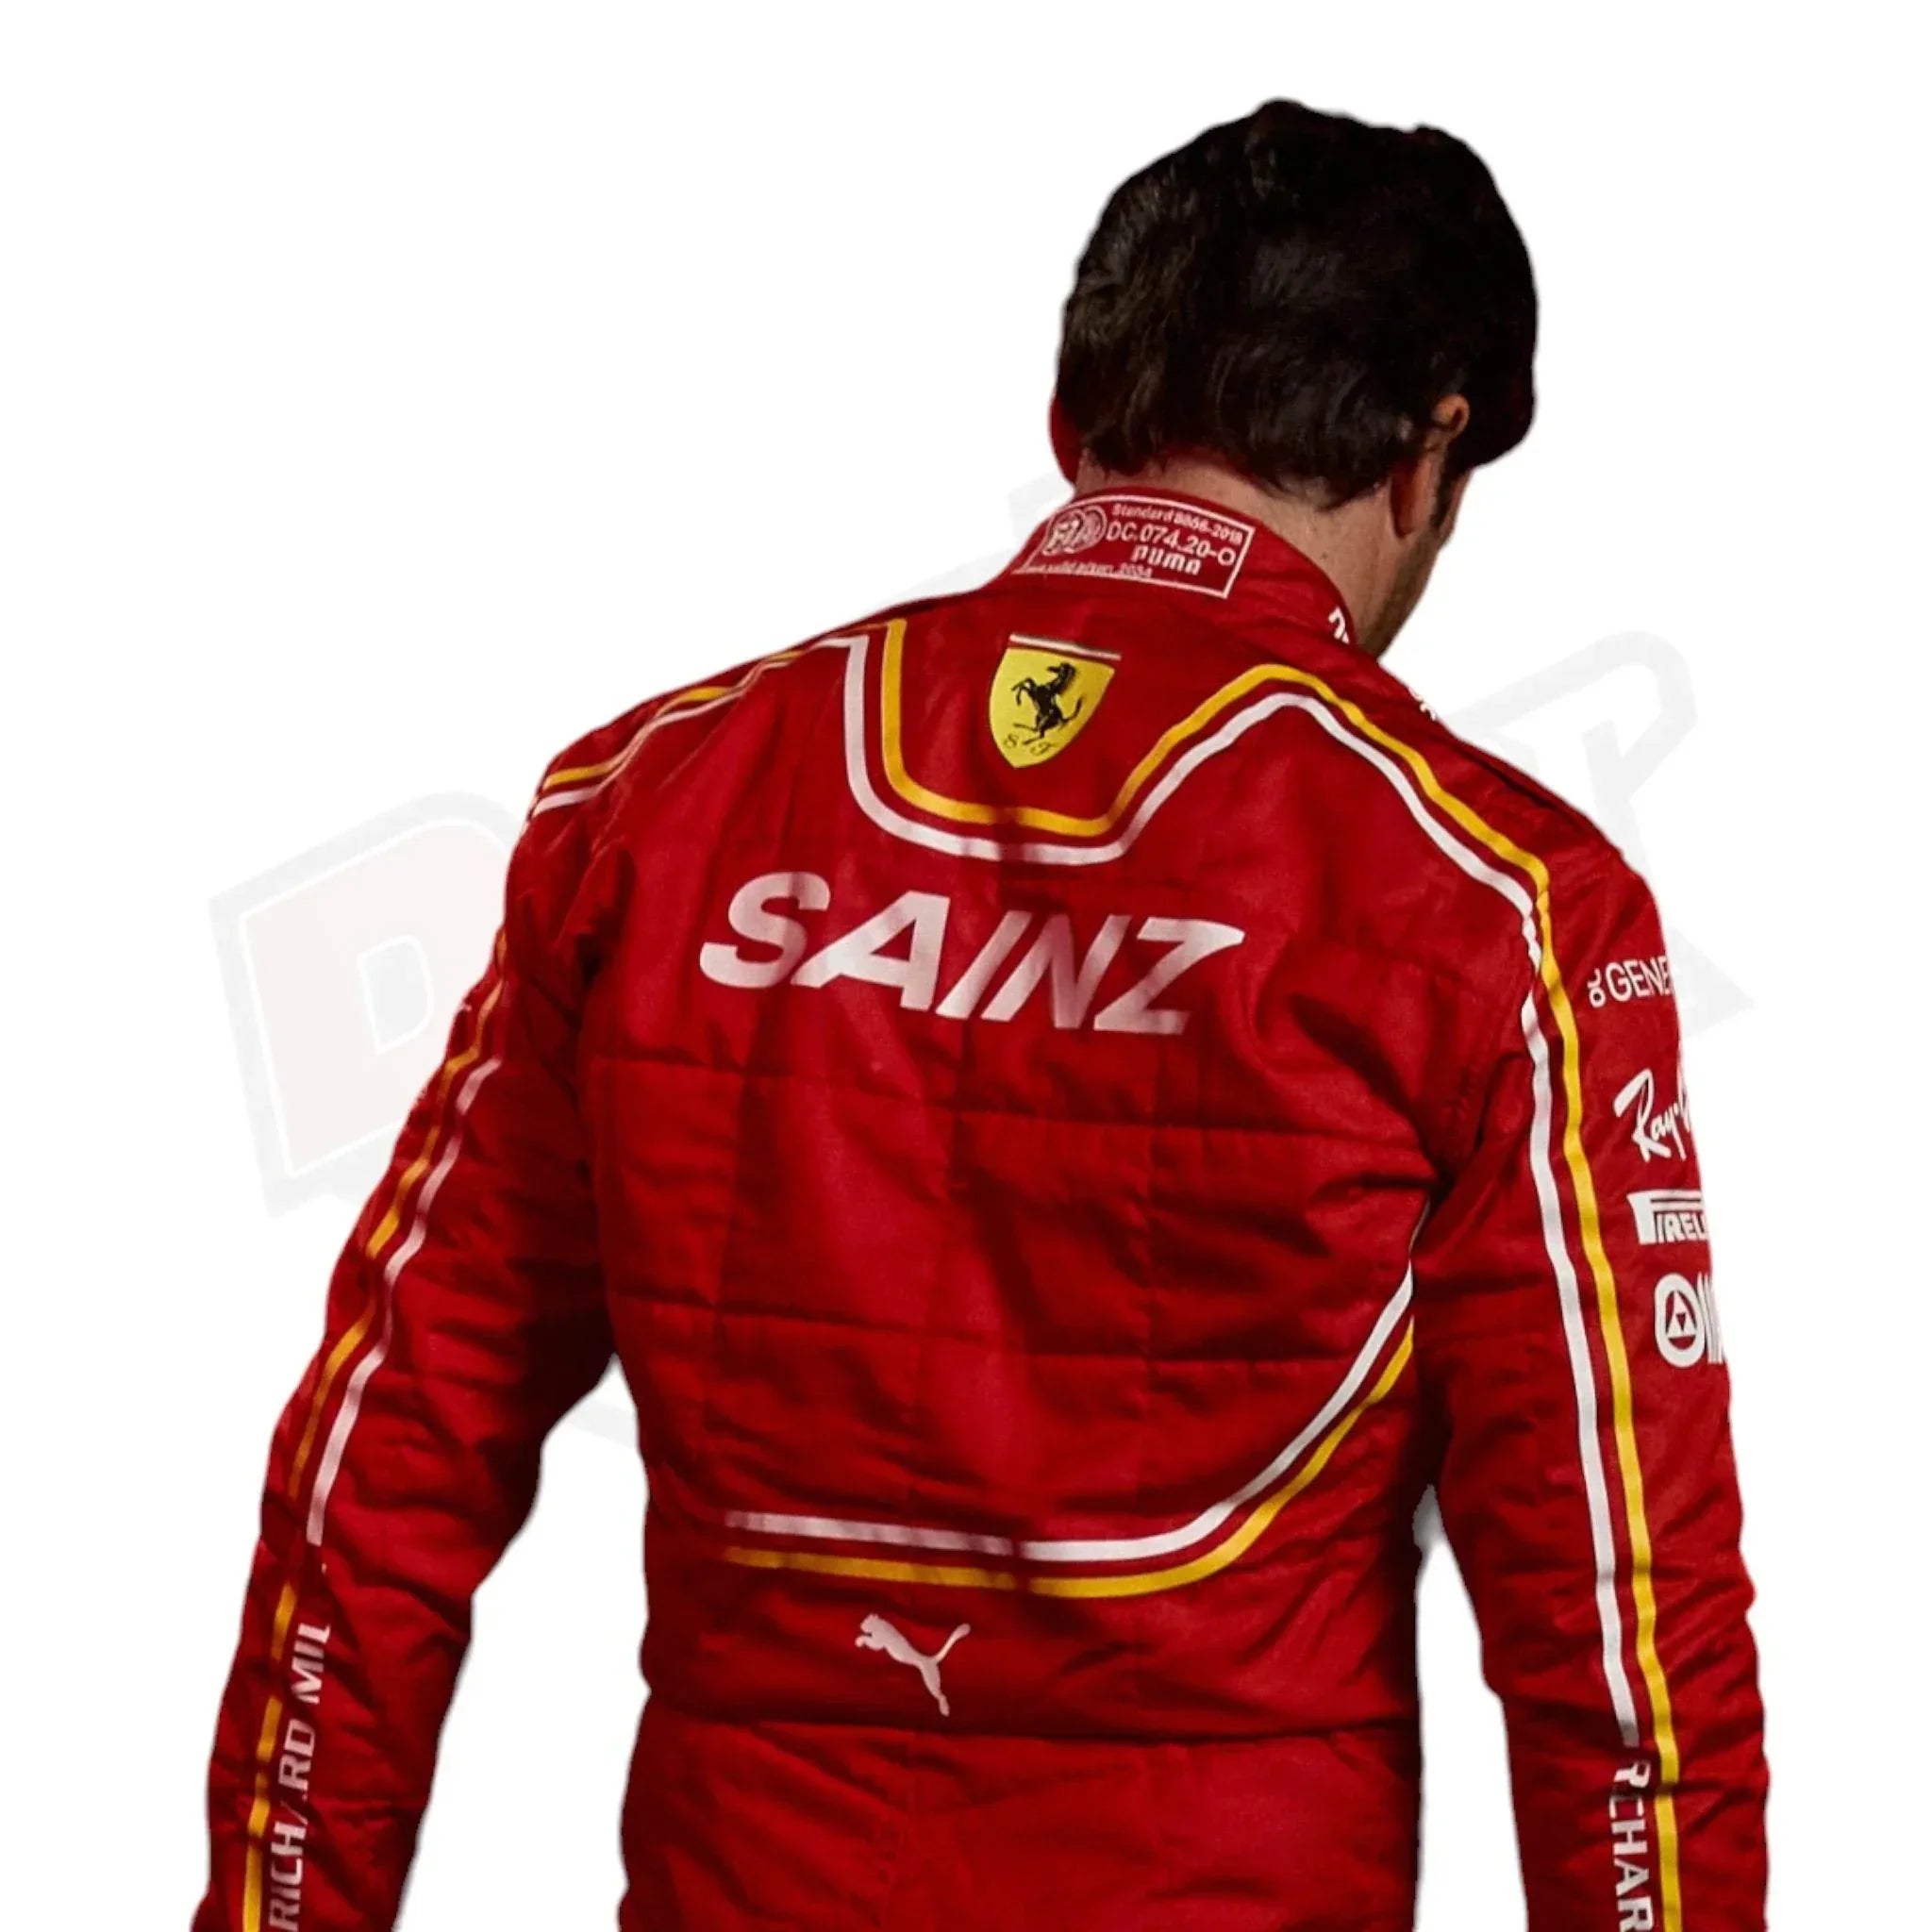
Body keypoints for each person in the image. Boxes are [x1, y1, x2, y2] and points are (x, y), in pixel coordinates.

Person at [192, 99, 1767, 1931]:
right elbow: (1621, 1627)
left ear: (1071, 421)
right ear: (1425, 463)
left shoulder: (652, 800)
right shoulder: (1501, 897)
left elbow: (383, 1463)